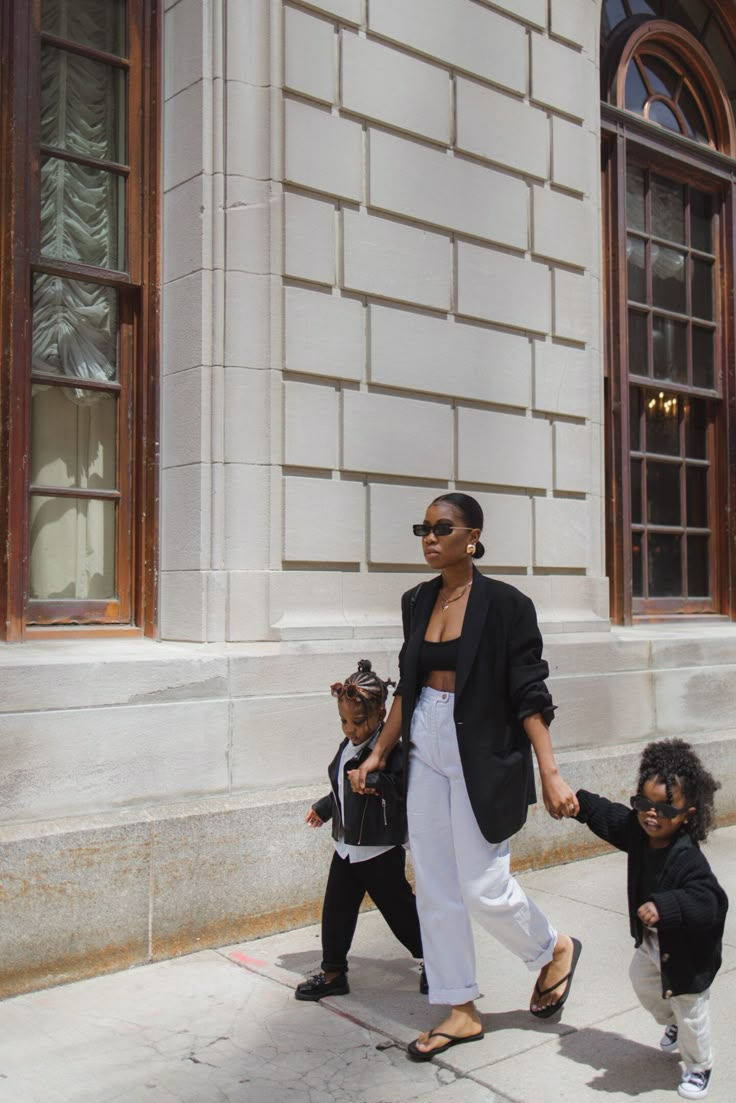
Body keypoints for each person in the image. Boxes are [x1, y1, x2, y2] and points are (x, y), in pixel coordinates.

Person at [351, 493, 582, 1059]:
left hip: (483, 748)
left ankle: (552, 948)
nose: (430, 538)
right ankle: (459, 1008)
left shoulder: (507, 604)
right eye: (423, 529)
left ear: (472, 536)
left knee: (482, 886)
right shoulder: (417, 600)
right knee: (433, 882)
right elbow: (409, 682)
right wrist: (379, 751)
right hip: (425, 740)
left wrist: (550, 772)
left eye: (442, 528)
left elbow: (530, 692)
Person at [571, 738, 728, 1100]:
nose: (651, 815)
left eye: (665, 810)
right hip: (653, 944)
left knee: (692, 1014)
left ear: (687, 815)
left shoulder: (688, 858)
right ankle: (670, 1023)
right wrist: (578, 803)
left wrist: (666, 907)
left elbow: (712, 901)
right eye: (643, 804)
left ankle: (698, 1067)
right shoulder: (639, 833)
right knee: (641, 982)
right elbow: (609, 817)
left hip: (689, 956)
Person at [295, 659, 426, 1001]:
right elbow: (341, 785)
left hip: (379, 850)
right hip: (347, 846)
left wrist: (376, 782)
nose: (350, 729)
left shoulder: (389, 749)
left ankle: (438, 960)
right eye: (343, 721)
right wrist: (324, 809)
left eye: (357, 721)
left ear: (382, 713)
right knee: (336, 910)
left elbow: (401, 789)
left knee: (401, 913)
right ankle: (333, 972)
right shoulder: (348, 747)